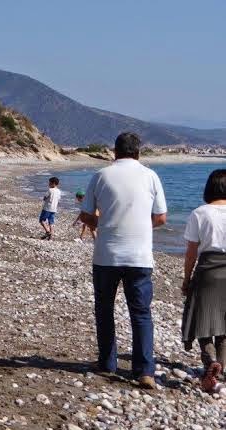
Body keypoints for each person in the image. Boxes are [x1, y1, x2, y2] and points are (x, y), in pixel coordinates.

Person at [79, 132, 167, 389]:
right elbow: (161, 217)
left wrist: (105, 225)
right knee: (141, 313)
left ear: (114, 152)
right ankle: (144, 371)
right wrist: (140, 228)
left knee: (104, 310)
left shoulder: (102, 175)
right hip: (139, 256)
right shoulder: (151, 176)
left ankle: (107, 362)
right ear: (138, 152)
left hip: (107, 254)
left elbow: (85, 215)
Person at [181, 169, 226, 393]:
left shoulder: (200, 213)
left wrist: (186, 279)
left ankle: (209, 364)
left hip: (208, 270)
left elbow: (191, 253)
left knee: (201, 319)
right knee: (224, 325)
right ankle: (221, 368)